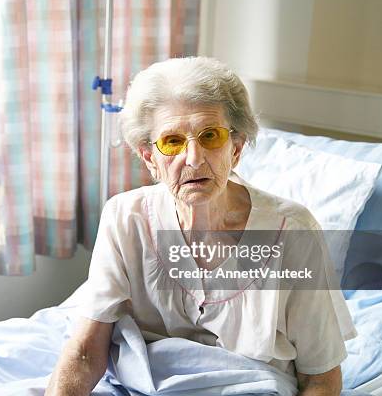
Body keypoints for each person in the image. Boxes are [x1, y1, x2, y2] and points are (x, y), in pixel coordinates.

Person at [46, 57, 356, 395]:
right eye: (172, 141)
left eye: (210, 136)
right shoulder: (125, 218)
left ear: (235, 149)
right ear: (150, 157)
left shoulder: (292, 231)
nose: (193, 158)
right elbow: (86, 353)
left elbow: (321, 378)